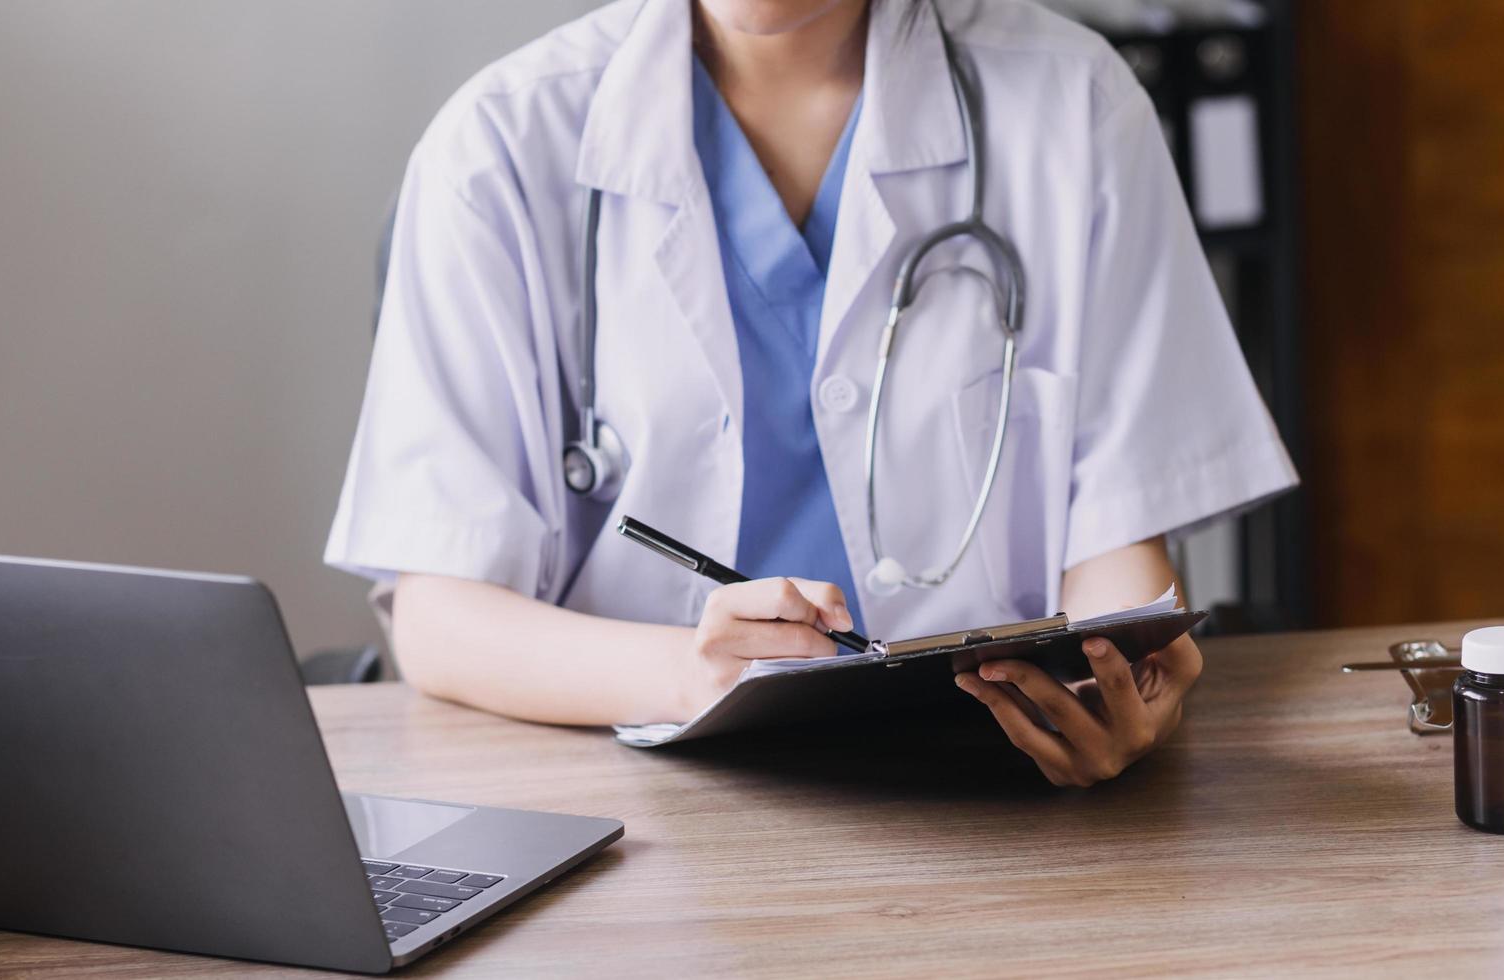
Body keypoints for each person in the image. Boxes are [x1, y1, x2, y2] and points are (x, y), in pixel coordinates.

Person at [325, 0, 1297, 786]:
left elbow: (1116, 551)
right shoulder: (495, 149)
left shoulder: (1074, 106)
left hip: (986, 796)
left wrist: (1120, 692)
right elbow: (442, 617)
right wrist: (695, 674)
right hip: (625, 814)